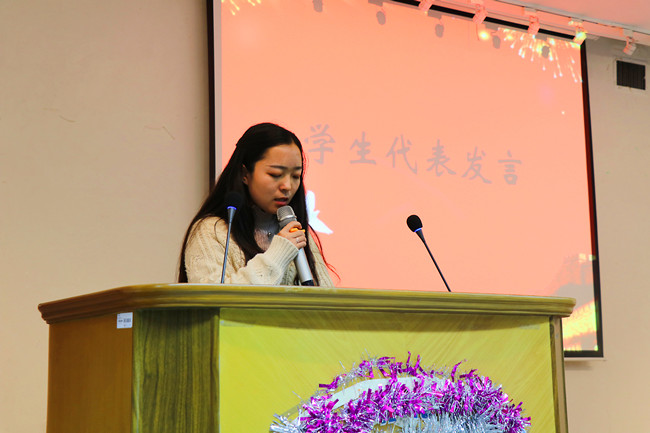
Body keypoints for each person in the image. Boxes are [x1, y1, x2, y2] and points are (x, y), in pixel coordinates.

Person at [178, 122, 334, 286]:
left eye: (296, 176)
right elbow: (213, 297)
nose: (287, 186)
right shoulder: (212, 231)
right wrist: (279, 252)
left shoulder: (296, 232)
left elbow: (327, 298)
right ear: (245, 174)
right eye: (275, 174)